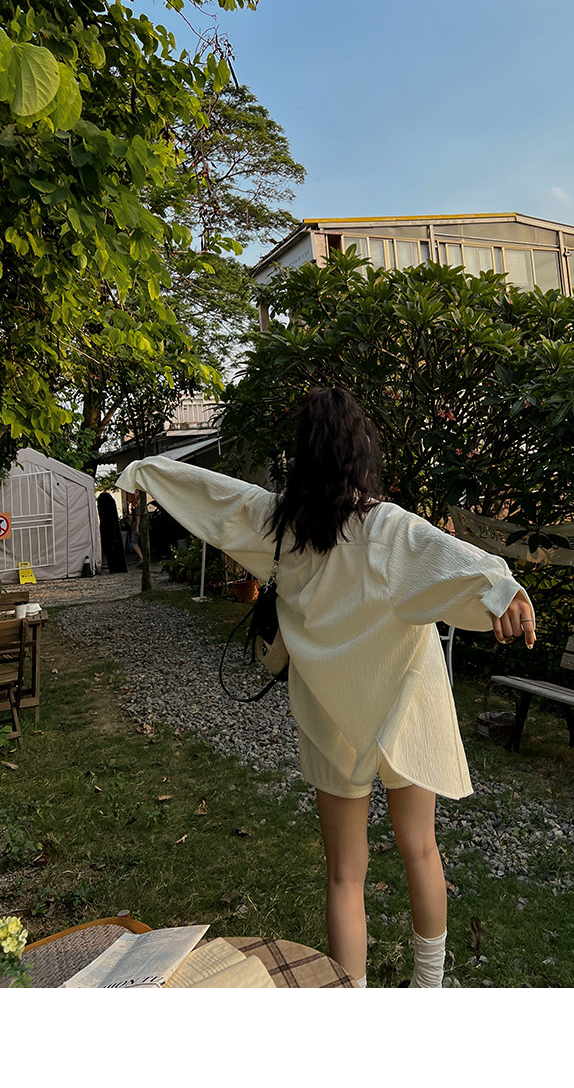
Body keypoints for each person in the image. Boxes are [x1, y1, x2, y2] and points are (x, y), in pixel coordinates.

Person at [117, 387, 535, 988]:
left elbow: (215, 497)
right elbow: (450, 559)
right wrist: (503, 590)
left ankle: (350, 1001)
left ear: (303, 456)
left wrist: (146, 472)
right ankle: (428, 992)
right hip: (403, 703)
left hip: (329, 716)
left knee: (345, 875)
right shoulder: (386, 529)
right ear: (360, 452)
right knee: (421, 850)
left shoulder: (280, 528)